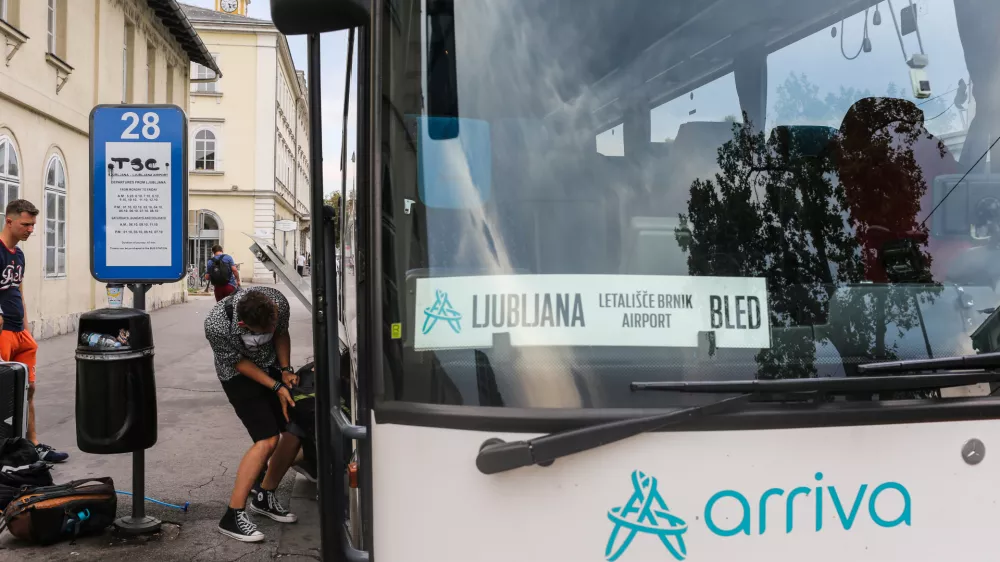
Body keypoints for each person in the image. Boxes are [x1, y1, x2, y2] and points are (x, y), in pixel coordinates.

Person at [204, 286, 300, 542]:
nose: (272, 330)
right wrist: (276, 387)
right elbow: (238, 363)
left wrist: (285, 370)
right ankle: (232, 515)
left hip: (270, 365)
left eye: (273, 324)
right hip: (237, 374)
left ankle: (264, 497)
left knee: (294, 431)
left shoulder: (276, 302)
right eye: (264, 330)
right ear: (244, 325)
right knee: (267, 439)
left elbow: (281, 333)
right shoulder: (216, 325)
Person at [0, 200, 68, 463]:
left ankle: (33, 444)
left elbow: (19, 291)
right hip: (3, 333)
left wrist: (26, 329)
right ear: (9, 221)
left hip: (20, 334)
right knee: (4, 393)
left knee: (28, 389)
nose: (31, 230)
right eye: (26, 224)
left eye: (32, 225)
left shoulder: (19, 255)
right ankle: (5, 450)